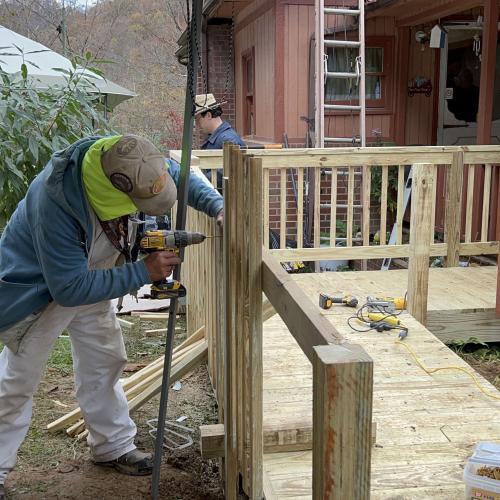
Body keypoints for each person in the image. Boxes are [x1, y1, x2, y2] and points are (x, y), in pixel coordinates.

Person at [0, 134, 223, 497]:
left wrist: (217, 205)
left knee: (106, 359)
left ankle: (112, 445)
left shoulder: (129, 158)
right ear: (114, 193)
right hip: (43, 287)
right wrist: (141, 273)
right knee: (17, 381)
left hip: (93, 273)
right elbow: (68, 289)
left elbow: (177, 175)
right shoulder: (54, 202)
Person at [195, 93, 246, 190]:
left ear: (209, 115)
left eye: (198, 119)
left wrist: (199, 180)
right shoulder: (219, 137)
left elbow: (232, 170)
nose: (197, 124)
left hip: (229, 201)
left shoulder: (229, 140)